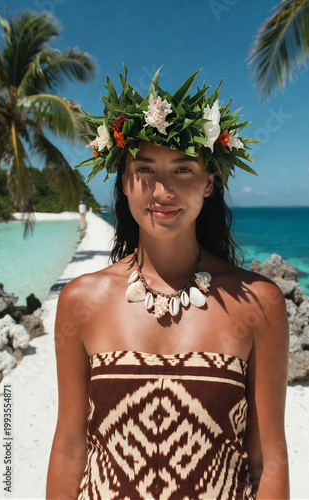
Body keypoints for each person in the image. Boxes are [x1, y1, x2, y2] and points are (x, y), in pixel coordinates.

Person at [46, 68, 290, 499]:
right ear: (124, 183)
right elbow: (69, 448)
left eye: (183, 169)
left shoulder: (259, 303)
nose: (162, 190)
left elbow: (267, 459)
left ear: (210, 182)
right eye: (145, 169)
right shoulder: (81, 300)